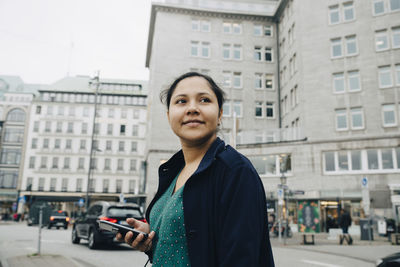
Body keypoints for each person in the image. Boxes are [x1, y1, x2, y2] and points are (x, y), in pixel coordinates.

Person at [117, 72, 275, 266]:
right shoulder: (174, 170)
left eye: (204, 100)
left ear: (220, 114)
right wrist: (152, 240)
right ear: (169, 116)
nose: (192, 108)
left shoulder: (235, 171)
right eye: (181, 101)